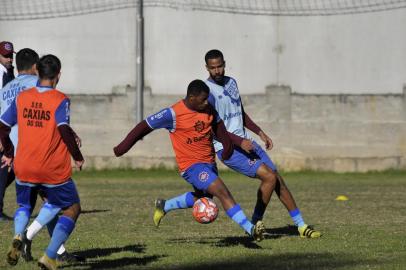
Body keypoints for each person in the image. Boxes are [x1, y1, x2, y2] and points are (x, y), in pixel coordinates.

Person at [114, 79, 266, 241]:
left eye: (208, 99)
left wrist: (228, 149)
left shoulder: (209, 110)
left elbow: (221, 131)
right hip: (191, 167)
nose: (207, 102)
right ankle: (251, 229)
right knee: (222, 191)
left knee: (203, 198)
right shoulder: (172, 114)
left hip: (209, 163)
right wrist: (122, 148)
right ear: (192, 98)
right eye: (203, 99)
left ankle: (164, 206)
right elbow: (143, 127)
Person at [204, 49, 321, 238]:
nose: (217, 71)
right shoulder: (206, 92)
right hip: (228, 148)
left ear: (225, 64)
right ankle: (255, 222)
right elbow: (214, 128)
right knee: (269, 177)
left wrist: (260, 132)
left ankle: (301, 226)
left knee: (277, 179)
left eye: (220, 66)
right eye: (213, 68)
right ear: (207, 68)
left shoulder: (232, 83)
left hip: (246, 143)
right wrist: (239, 141)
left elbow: (239, 114)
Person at [0, 54, 85, 270]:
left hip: (23, 164)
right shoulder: (60, 99)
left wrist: (9, 151)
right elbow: (63, 129)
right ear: (59, 75)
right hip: (50, 168)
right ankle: (49, 256)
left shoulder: (22, 97)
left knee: (24, 205)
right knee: (71, 206)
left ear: (37, 72)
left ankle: (21, 234)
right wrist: (77, 156)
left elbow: (2, 126)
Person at [0, 48, 39, 222]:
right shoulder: (38, 83)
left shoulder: (6, 87)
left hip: (10, 143)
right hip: (31, 145)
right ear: (35, 66)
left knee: (11, 177)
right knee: (51, 196)